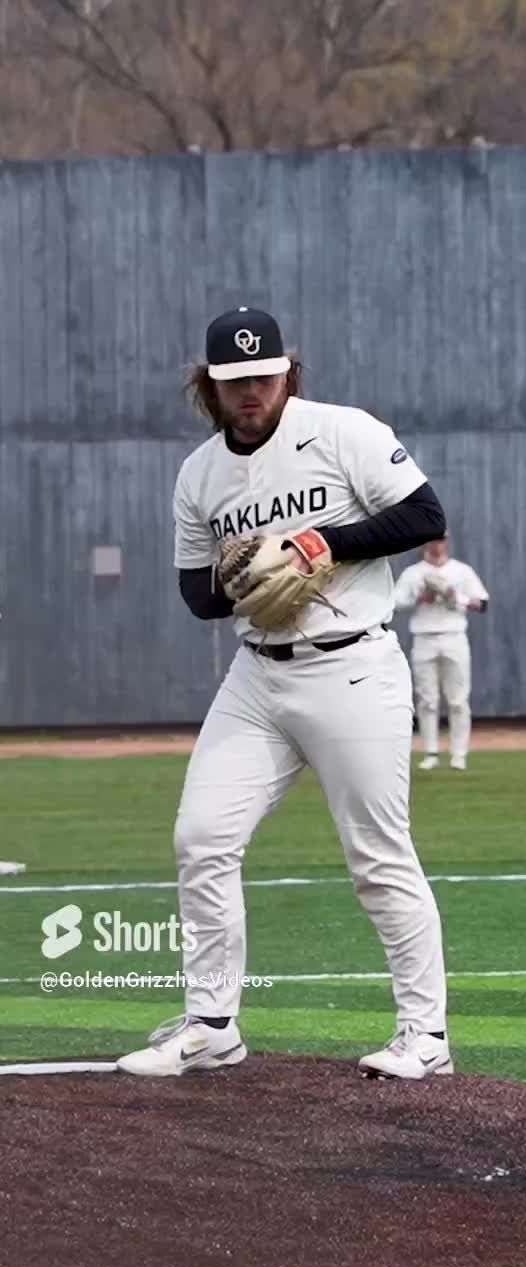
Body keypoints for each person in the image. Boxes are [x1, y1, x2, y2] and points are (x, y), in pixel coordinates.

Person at [117, 306, 452, 1081]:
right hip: (258, 676)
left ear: (286, 372)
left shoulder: (343, 433)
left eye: (264, 376)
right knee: (200, 838)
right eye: (234, 382)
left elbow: (425, 514)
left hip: (354, 668)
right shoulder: (200, 473)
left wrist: (320, 544)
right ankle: (211, 1026)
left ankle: (425, 1037)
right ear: (208, 386)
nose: (251, 392)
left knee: (377, 856)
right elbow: (198, 598)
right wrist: (243, 576)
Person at [394, 534, 489, 771]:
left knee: (458, 700)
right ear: (425, 543)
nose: (437, 544)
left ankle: (459, 755)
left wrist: (455, 596)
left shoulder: (461, 571)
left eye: (441, 539)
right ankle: (431, 752)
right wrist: (420, 598)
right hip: (425, 638)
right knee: (427, 700)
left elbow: (483, 603)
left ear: (446, 542)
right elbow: (395, 602)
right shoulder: (413, 573)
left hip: (454, 636)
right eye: (433, 540)